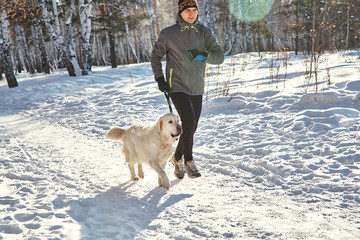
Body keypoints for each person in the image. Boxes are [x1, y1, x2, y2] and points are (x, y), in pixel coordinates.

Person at [151, 0, 224, 179]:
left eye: (194, 10)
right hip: (176, 85)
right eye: (188, 10)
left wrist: (203, 55)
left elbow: (219, 57)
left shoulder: (204, 32)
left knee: (192, 127)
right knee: (189, 121)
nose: (192, 14)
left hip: (196, 86)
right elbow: (155, 57)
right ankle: (189, 161)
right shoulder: (168, 34)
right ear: (180, 12)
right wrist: (160, 78)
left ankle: (177, 158)